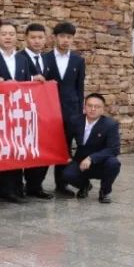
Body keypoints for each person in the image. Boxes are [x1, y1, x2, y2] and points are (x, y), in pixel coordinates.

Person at [0, 21, 36, 206]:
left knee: (13, 151)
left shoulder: (22, 59)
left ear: (17, 37)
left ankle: (8, 191)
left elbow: (26, 85)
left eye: (11, 34)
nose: (8, 37)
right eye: (4, 34)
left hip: (15, 113)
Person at [45, 22, 86, 198]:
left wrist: (80, 112)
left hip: (71, 111)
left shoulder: (78, 60)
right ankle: (34, 185)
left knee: (66, 148)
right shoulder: (45, 59)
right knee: (46, 146)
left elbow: (79, 88)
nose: (65, 40)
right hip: (49, 110)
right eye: (62, 36)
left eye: (69, 37)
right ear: (55, 37)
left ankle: (62, 184)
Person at [62, 94, 121, 203]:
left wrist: (91, 158)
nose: (93, 109)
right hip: (80, 160)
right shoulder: (75, 120)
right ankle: (85, 186)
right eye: (89, 105)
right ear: (84, 107)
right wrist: (68, 155)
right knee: (67, 174)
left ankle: (105, 192)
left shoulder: (110, 125)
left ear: (103, 109)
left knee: (114, 163)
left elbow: (114, 149)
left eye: (97, 106)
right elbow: (65, 139)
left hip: (101, 162)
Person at [20, 23, 52, 199]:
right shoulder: (18, 57)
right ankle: (19, 186)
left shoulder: (47, 59)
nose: (37, 41)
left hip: (43, 113)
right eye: (33, 37)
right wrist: (32, 79)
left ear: (45, 39)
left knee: (43, 149)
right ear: (26, 38)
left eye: (40, 37)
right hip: (23, 111)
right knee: (23, 150)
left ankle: (35, 185)